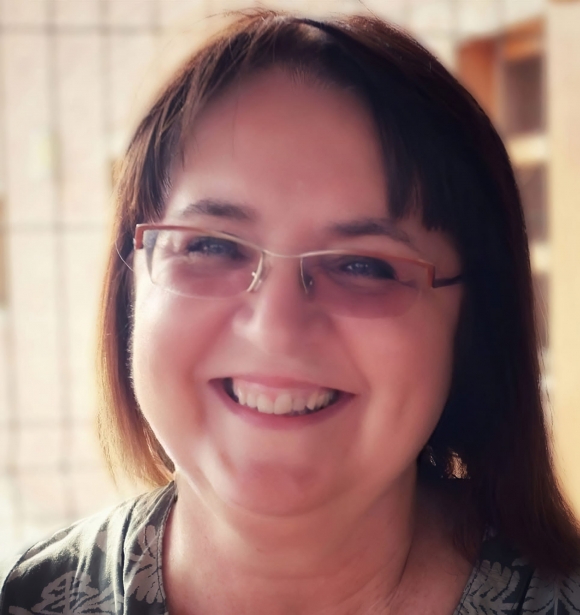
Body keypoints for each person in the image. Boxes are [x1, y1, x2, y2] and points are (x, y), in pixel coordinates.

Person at [2, 8, 580, 615]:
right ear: (132, 288)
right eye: (211, 246)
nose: (275, 329)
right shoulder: (28, 599)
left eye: (364, 265)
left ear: (472, 323)